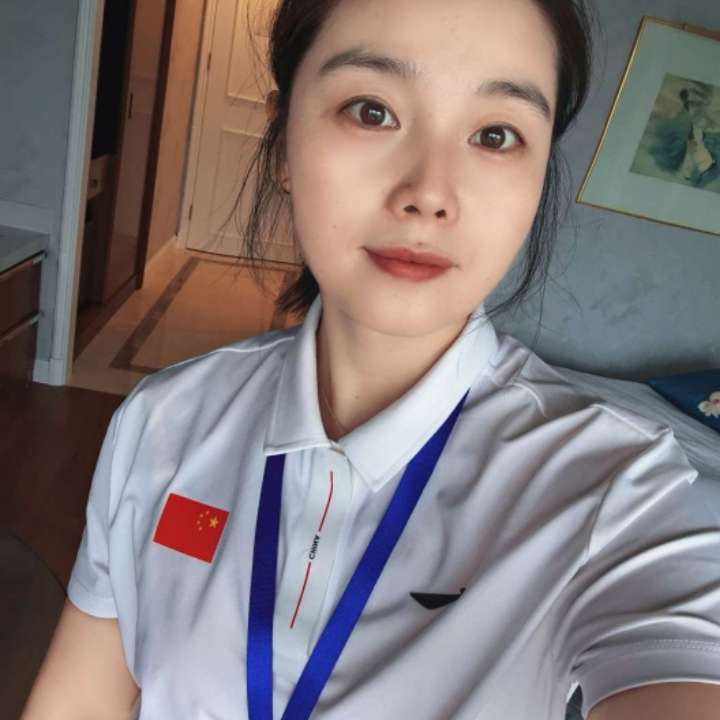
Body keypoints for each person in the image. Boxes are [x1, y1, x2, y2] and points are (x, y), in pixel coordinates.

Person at [22, 1, 720, 718]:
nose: (429, 194)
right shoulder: (163, 420)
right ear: (283, 143)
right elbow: (79, 700)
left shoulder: (619, 493)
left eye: (496, 134)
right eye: (371, 111)